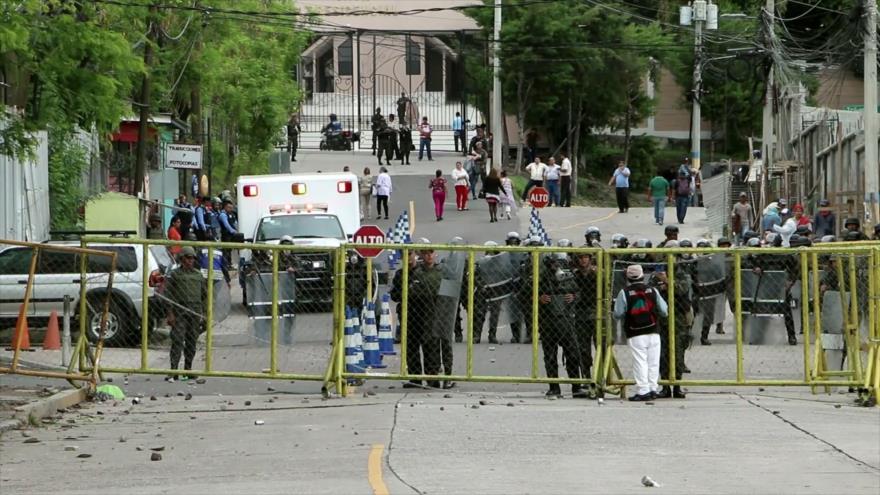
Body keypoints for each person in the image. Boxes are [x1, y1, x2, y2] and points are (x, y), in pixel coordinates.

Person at [614, 264, 668, 401]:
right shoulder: (652, 290)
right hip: (654, 330)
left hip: (635, 331)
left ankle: (643, 390)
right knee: (653, 361)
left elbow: (618, 313)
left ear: (628, 277)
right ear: (643, 275)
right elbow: (664, 310)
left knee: (640, 361)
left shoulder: (624, 292)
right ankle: (652, 388)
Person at [538, 253, 583, 398]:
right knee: (550, 356)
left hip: (566, 321)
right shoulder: (540, 278)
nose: (555, 266)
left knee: (572, 354)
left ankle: (576, 386)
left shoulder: (568, 277)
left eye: (557, 263)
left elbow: (580, 292)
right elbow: (524, 294)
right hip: (547, 322)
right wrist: (539, 297)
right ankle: (554, 387)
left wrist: (574, 297)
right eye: (552, 264)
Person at [651, 241, 691, 399]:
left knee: (678, 352)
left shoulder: (682, 271)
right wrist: (661, 284)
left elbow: (683, 289)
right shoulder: (659, 271)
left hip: (679, 317)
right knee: (662, 353)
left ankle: (677, 386)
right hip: (662, 318)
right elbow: (651, 290)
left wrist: (668, 282)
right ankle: (665, 386)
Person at [164, 246, 207, 382]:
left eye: (192, 258)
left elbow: (204, 296)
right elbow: (168, 295)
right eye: (187, 258)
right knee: (177, 340)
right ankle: (174, 370)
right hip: (180, 312)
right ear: (182, 259)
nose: (190, 261)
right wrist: (170, 314)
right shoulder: (175, 275)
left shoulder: (198, 275)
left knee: (191, 341)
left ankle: (188, 369)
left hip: (194, 312)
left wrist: (204, 314)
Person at [407, 239, 444, 389]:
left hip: (432, 314)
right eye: (425, 253)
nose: (428, 256)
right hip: (415, 314)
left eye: (431, 252)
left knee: (432, 347)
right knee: (412, 347)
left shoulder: (441, 272)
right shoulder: (415, 273)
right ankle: (415, 378)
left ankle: (432, 378)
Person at [571, 250, 598, 394]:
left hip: (596, 313)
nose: (583, 260)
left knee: (601, 346)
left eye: (586, 257)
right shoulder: (574, 275)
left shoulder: (598, 273)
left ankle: (600, 378)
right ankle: (587, 378)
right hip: (581, 314)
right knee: (583, 349)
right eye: (581, 258)